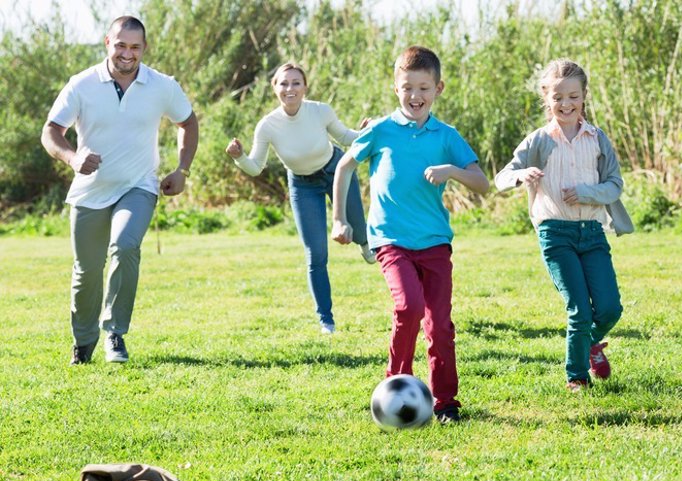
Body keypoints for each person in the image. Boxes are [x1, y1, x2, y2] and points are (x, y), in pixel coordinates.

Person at [331, 46, 490, 424]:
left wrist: (451, 170)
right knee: (409, 307)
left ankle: (446, 403)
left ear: (439, 89)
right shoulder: (380, 131)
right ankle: (394, 386)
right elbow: (343, 168)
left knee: (440, 324)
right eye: (407, 88)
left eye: (423, 87)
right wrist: (339, 219)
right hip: (391, 240)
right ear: (395, 88)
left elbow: (482, 183)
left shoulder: (446, 136)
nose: (415, 96)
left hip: (435, 242)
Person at [41, 16, 198, 365]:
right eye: (121, 45)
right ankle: (83, 343)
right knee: (87, 270)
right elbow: (51, 132)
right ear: (107, 43)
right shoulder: (81, 85)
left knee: (125, 246)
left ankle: (115, 333)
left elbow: (187, 121)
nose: (128, 53)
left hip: (138, 186)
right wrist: (72, 157)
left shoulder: (161, 85)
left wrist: (181, 169)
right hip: (90, 190)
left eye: (135, 47)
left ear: (144, 48)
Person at [494, 58, 633, 392]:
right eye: (558, 97)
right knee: (579, 310)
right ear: (547, 98)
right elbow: (500, 178)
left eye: (573, 96)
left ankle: (588, 345)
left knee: (611, 308)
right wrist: (520, 175)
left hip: (593, 233)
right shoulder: (538, 141)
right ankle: (577, 377)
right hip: (555, 234)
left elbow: (614, 185)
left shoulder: (597, 139)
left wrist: (587, 193)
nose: (566, 104)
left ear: (584, 96)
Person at [225, 63, 374, 335]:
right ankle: (326, 321)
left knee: (359, 228)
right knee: (315, 253)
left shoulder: (320, 111)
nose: (289, 88)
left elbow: (343, 136)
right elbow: (255, 166)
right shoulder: (267, 126)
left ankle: (365, 243)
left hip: (335, 170)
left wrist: (365, 132)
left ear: (305, 87)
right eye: (283, 83)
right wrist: (239, 158)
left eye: (296, 83)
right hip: (302, 185)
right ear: (275, 89)